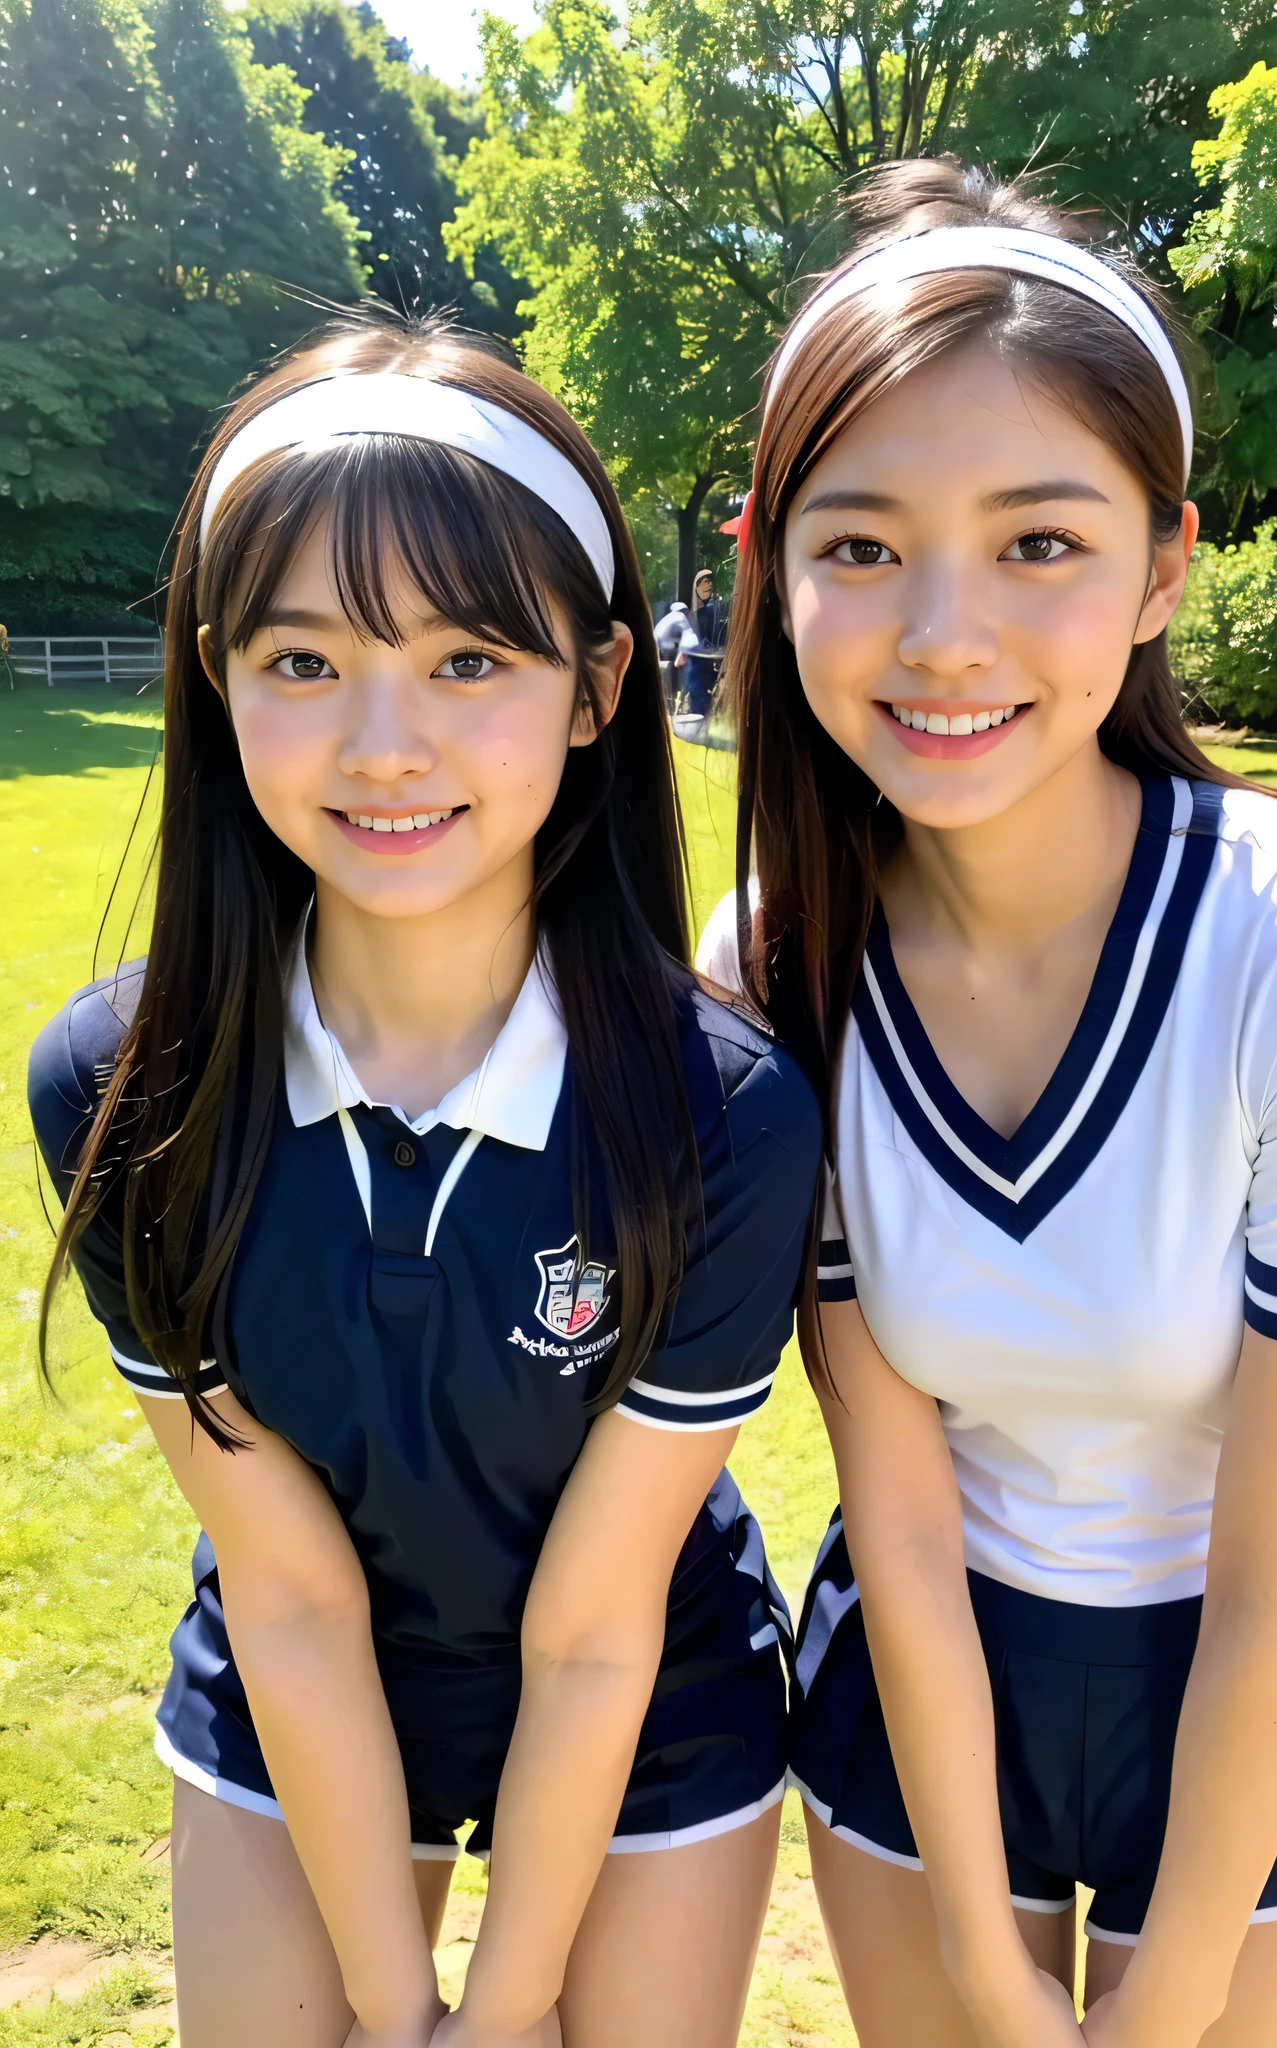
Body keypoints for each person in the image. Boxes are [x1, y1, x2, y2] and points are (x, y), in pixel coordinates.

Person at [30, 310, 820, 2048]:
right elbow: (293, 1593)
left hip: (644, 1691)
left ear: (602, 685)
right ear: (216, 669)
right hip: (307, 1677)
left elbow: (598, 1628)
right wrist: (407, 2018)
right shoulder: (117, 1084)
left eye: (470, 660)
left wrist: (507, 2006)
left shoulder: (731, 1113)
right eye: (303, 661)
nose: (384, 743)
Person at [700, 158, 1277, 2048]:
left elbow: (1272, 1556)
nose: (944, 634)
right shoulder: (777, 955)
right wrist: (992, 1978)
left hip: (1245, 1699)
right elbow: (896, 1511)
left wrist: (1166, 2008)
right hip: (933, 1686)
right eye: (862, 543)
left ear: (1166, 566)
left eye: (1040, 542)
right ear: (776, 566)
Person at [679, 570, 725, 721]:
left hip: (713, 660)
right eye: (704, 581)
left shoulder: (716, 608)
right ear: (696, 587)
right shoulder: (690, 613)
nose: (708, 585)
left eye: (710, 581)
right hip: (696, 662)